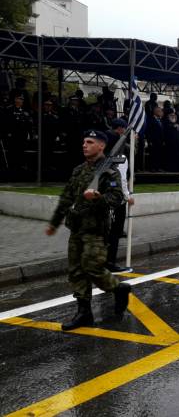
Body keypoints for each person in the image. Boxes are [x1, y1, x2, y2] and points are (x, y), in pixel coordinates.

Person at [45, 130, 131, 330]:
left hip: (95, 229)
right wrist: (54, 222)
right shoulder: (78, 170)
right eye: (84, 141)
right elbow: (66, 198)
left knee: (92, 267)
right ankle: (84, 313)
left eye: (90, 142)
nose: (84, 145)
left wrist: (99, 197)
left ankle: (118, 289)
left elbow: (117, 198)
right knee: (76, 271)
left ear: (101, 146)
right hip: (76, 228)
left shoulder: (110, 172)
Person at [104, 119, 135, 273]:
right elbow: (122, 179)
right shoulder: (121, 157)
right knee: (115, 232)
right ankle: (110, 263)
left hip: (103, 196)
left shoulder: (103, 156)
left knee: (104, 231)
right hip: (116, 199)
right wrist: (127, 196)